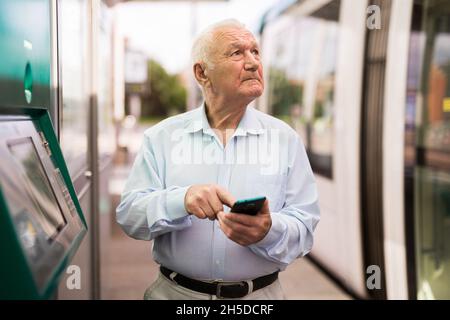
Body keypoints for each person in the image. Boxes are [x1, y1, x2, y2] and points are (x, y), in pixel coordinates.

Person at [116, 19, 320, 300]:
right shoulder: (161, 137)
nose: (252, 63)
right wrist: (182, 200)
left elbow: (305, 229)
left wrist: (268, 230)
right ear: (202, 73)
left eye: (255, 52)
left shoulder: (286, 139)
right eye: (236, 53)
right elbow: (129, 216)